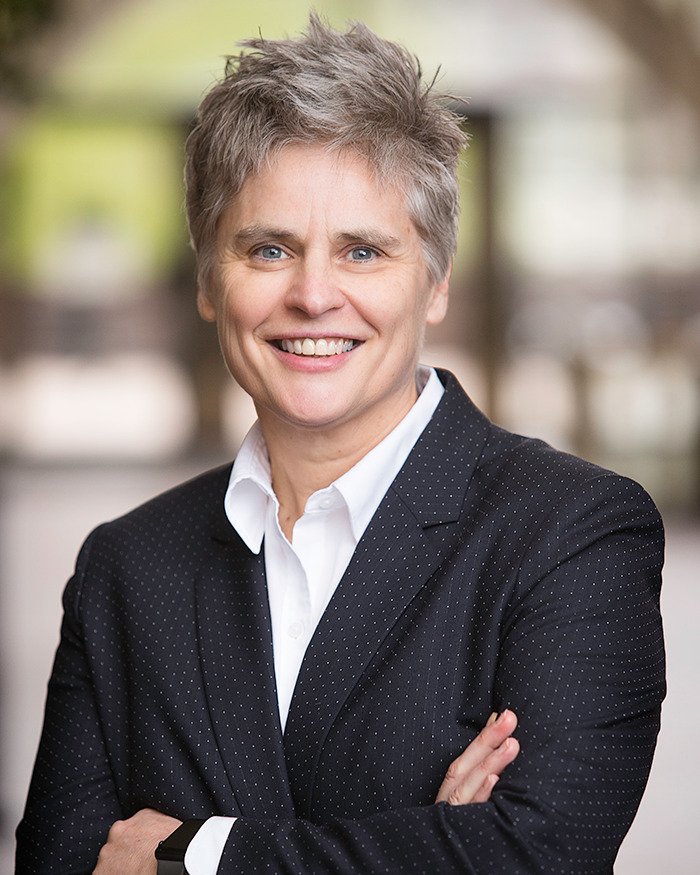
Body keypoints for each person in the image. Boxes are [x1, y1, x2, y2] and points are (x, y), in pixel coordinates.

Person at [16, 14, 665, 875]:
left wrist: (194, 855)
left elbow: (538, 854)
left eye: (363, 251)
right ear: (211, 281)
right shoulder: (125, 569)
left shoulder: (572, 534)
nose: (314, 295)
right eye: (269, 248)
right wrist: (429, 844)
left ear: (434, 281)